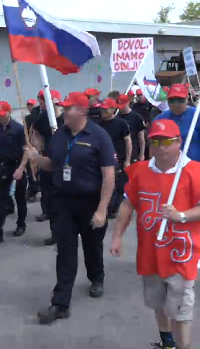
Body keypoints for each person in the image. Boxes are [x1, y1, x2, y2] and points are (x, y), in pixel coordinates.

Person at [110, 119, 200, 349]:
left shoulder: (194, 171)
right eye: (155, 141)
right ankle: (167, 343)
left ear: (179, 141)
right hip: (150, 253)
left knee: (180, 311)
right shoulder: (140, 171)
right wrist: (117, 235)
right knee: (158, 303)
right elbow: (128, 205)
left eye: (166, 141)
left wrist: (181, 215)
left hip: (181, 254)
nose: (160, 147)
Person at [28, 92, 115, 324]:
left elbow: (108, 175)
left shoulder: (99, 137)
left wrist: (102, 209)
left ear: (82, 112)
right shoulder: (59, 136)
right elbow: (53, 164)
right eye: (64, 107)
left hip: (91, 202)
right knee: (65, 251)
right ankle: (60, 303)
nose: (63, 111)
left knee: (92, 246)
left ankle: (96, 277)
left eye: (68, 108)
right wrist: (36, 157)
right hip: (64, 201)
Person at [0, 101, 28, 245]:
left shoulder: (18, 129)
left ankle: (21, 224)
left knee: (20, 196)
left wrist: (21, 168)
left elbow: (26, 150)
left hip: (16, 165)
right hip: (1, 166)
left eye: (3, 115)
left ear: (9, 113)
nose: (0, 118)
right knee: (0, 198)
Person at [31, 89, 63, 245]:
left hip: (64, 166)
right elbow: (34, 134)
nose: (42, 102)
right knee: (49, 199)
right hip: (47, 162)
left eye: (45, 99)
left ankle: (67, 231)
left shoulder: (65, 119)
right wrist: (38, 147)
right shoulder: (42, 117)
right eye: (41, 99)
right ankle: (55, 233)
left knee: (63, 202)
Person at [155, 83, 200, 164]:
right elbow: (154, 146)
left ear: (187, 98)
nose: (176, 104)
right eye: (172, 100)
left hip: (193, 167)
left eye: (180, 100)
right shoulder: (161, 119)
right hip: (168, 169)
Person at [98, 98, 131, 218]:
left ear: (113, 109)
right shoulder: (98, 124)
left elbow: (128, 142)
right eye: (102, 108)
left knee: (117, 186)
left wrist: (127, 160)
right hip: (102, 160)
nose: (103, 111)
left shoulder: (121, 123)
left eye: (106, 109)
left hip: (119, 159)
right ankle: (106, 207)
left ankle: (114, 208)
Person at [118, 94, 146, 163]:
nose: (120, 109)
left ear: (128, 103)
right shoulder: (118, 117)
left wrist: (142, 154)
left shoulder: (136, 117)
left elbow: (141, 138)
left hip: (134, 150)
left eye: (122, 106)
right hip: (120, 152)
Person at [24, 98, 40, 202]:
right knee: (31, 170)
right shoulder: (27, 118)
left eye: (31, 105)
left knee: (33, 170)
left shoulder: (36, 117)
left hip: (37, 145)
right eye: (29, 105)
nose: (30, 107)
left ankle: (34, 189)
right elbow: (25, 132)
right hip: (31, 145)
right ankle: (33, 190)